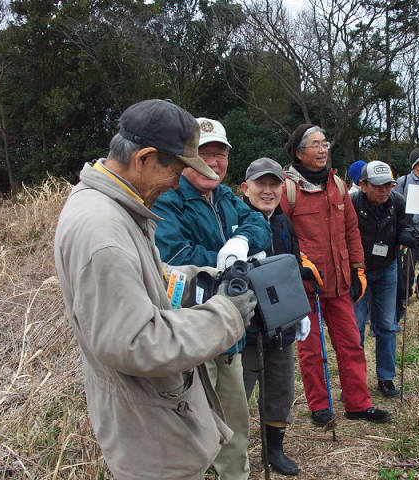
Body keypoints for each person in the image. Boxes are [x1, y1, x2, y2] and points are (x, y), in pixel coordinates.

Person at [53, 99, 258, 480]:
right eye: (177, 170)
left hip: (159, 415)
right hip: (151, 437)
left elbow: (145, 276)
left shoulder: (119, 208)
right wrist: (226, 315)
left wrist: (200, 278)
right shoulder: (102, 231)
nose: (179, 182)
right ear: (145, 158)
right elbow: (136, 341)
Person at [152, 118, 271, 480]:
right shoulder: (168, 201)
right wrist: (229, 260)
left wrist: (242, 243)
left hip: (231, 332)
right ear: (186, 158)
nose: (214, 162)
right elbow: (175, 255)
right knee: (190, 430)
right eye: (204, 153)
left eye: (219, 154)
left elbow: (261, 225)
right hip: (191, 332)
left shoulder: (225, 198)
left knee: (235, 424)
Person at [280, 123, 390, 426]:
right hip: (306, 285)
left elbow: (351, 230)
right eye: (315, 144)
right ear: (299, 152)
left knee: (351, 342)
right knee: (311, 348)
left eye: (325, 143)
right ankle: (320, 406)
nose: (322, 149)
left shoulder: (338, 185)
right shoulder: (287, 189)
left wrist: (358, 269)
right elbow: (280, 236)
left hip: (341, 282)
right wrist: (298, 263)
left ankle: (358, 403)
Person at [240, 157, 314, 476]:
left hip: (281, 326)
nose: (268, 191)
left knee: (280, 390)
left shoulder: (284, 223)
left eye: (274, 184)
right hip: (245, 330)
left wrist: (299, 311)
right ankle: (231, 454)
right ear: (246, 188)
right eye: (261, 184)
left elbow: (294, 267)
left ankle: (274, 450)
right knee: (237, 394)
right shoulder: (236, 222)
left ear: (283, 188)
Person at [350, 161, 417, 398]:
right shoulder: (352, 203)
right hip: (358, 270)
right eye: (378, 186)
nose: (384, 190)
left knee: (388, 325)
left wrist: (407, 236)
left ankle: (386, 378)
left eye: (388, 185)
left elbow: (405, 225)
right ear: (364, 185)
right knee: (355, 327)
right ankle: (354, 382)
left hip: (388, 268)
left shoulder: (398, 201)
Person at [394, 148, 419, 302]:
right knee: (408, 265)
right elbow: (396, 204)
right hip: (411, 230)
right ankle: (405, 294)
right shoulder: (403, 181)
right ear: (416, 164)